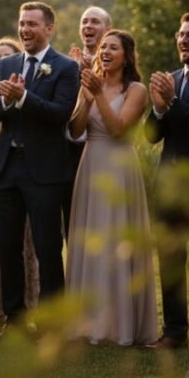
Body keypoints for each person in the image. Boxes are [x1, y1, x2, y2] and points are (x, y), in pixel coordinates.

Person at [0, 2, 79, 329]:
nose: (24, 30)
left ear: (49, 28)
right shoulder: (7, 62)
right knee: (8, 248)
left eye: (32, 25)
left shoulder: (65, 67)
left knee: (48, 248)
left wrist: (24, 98)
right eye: (22, 24)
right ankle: (16, 316)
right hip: (5, 168)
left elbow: (60, 114)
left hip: (45, 171)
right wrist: (7, 101)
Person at [66, 30, 156, 345]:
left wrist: (99, 95)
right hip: (90, 163)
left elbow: (119, 129)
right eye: (103, 46)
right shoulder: (90, 84)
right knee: (90, 237)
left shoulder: (137, 90)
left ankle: (121, 324)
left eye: (112, 47)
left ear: (126, 56)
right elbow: (76, 129)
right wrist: (86, 97)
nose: (105, 51)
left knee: (117, 236)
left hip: (119, 166)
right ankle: (87, 322)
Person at [145, 12, 189, 356]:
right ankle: (173, 332)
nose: (183, 40)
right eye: (181, 34)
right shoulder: (170, 79)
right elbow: (150, 135)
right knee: (170, 261)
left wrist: (171, 104)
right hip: (169, 185)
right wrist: (158, 110)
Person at [0, 37, 39, 323]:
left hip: (24, 164)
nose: (0, 59)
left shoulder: (31, 89)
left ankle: (29, 303)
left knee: (25, 241)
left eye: (7, 55)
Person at [64, 6, 113, 239]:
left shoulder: (119, 68)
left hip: (106, 150)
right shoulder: (66, 66)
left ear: (108, 29)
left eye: (95, 22)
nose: (88, 27)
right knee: (74, 223)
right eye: (84, 22)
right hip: (70, 152)